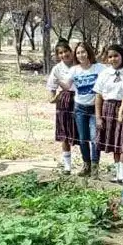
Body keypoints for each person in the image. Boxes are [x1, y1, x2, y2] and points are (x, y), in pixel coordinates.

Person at [65, 41, 105, 177]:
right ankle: (86, 165)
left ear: (88, 52)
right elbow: (66, 85)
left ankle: (95, 167)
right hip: (80, 108)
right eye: (78, 53)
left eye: (83, 52)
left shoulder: (99, 68)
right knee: (83, 138)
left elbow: (110, 78)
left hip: (95, 108)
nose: (81, 55)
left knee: (95, 138)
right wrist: (55, 81)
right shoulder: (74, 70)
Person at [95, 44, 123, 182]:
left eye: (116, 56)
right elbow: (98, 96)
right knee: (114, 142)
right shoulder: (104, 74)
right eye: (110, 56)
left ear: (122, 56)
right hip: (108, 108)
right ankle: (118, 174)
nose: (113, 59)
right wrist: (98, 117)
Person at [46, 40, 78, 174]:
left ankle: (87, 166)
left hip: (80, 100)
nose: (64, 55)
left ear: (71, 52)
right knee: (64, 133)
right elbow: (51, 87)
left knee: (80, 132)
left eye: (66, 51)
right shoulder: (57, 69)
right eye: (60, 53)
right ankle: (67, 166)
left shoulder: (80, 65)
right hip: (64, 101)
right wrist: (53, 98)